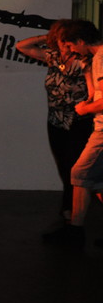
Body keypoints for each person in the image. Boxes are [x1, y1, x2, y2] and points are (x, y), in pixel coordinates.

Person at [16, 19, 93, 223]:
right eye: (61, 39)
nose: (64, 43)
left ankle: (71, 210)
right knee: (63, 165)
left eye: (67, 39)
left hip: (79, 120)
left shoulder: (84, 59)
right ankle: (70, 208)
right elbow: (21, 46)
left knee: (75, 167)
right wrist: (47, 37)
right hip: (55, 120)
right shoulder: (53, 57)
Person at [45, 20, 103, 244]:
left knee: (80, 174)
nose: (71, 50)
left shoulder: (100, 58)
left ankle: (75, 231)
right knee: (92, 179)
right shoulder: (96, 59)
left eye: (70, 45)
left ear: (80, 41)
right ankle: (74, 230)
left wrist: (84, 109)